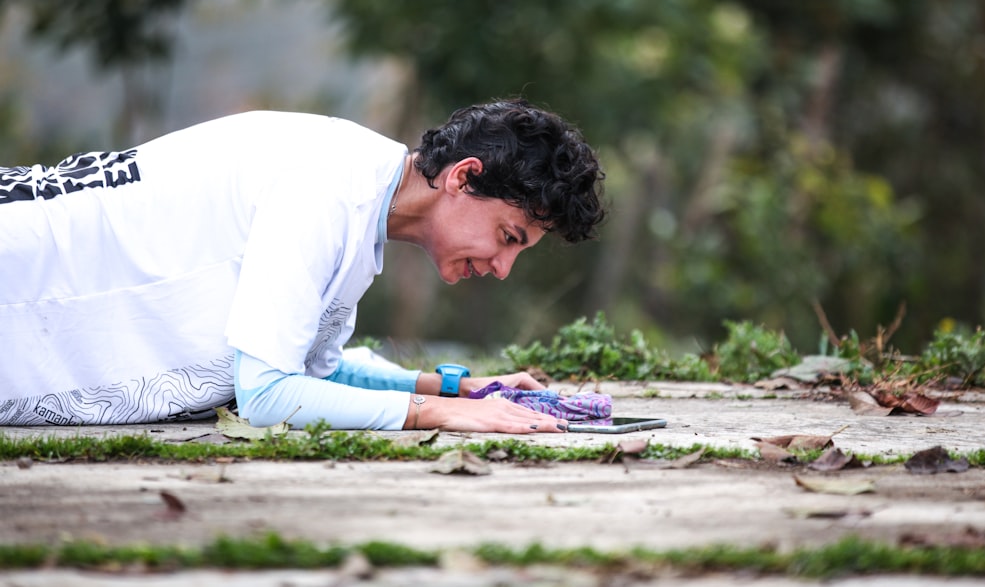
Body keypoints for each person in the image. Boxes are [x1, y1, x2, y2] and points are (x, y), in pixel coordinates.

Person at [0, 99, 606, 432]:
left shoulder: (359, 186)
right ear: (464, 177)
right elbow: (266, 395)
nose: (502, 268)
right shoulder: (328, 188)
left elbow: (309, 371)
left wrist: (455, 387)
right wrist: (436, 413)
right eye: (507, 237)